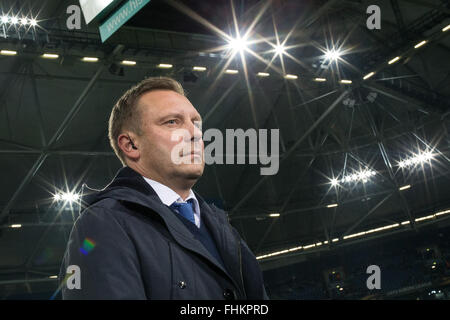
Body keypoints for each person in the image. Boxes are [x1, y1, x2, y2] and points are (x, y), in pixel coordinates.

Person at [59, 77, 268, 300]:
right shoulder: (102, 224)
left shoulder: (222, 227)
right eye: (172, 122)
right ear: (131, 145)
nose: (195, 133)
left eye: (196, 124)